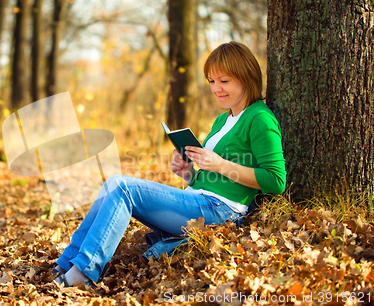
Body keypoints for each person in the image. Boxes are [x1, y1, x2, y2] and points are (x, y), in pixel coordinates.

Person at [52, 41, 286, 287]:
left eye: (224, 81)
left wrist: (218, 164)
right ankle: (66, 264)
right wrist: (188, 174)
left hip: (221, 212)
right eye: (211, 81)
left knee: (122, 187)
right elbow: (212, 178)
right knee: (113, 184)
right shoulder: (222, 119)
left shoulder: (259, 118)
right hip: (200, 202)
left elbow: (275, 180)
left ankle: (83, 274)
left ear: (245, 77)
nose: (216, 88)